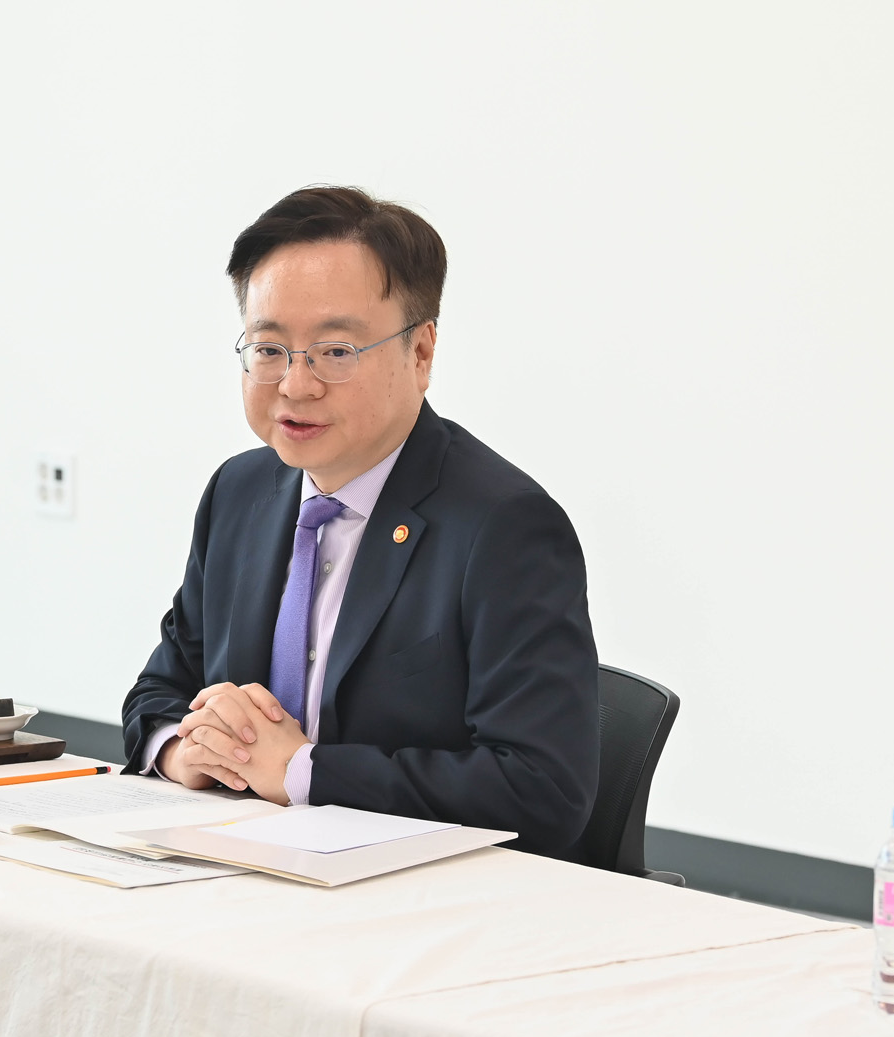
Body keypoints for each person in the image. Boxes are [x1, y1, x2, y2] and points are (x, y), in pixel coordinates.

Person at [121, 186, 600, 858]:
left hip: (418, 892)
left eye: (336, 351)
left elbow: (540, 789)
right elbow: (160, 690)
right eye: (268, 349)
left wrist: (301, 772)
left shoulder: (504, 526)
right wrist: (184, 749)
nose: (295, 385)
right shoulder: (241, 491)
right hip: (238, 866)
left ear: (421, 353)